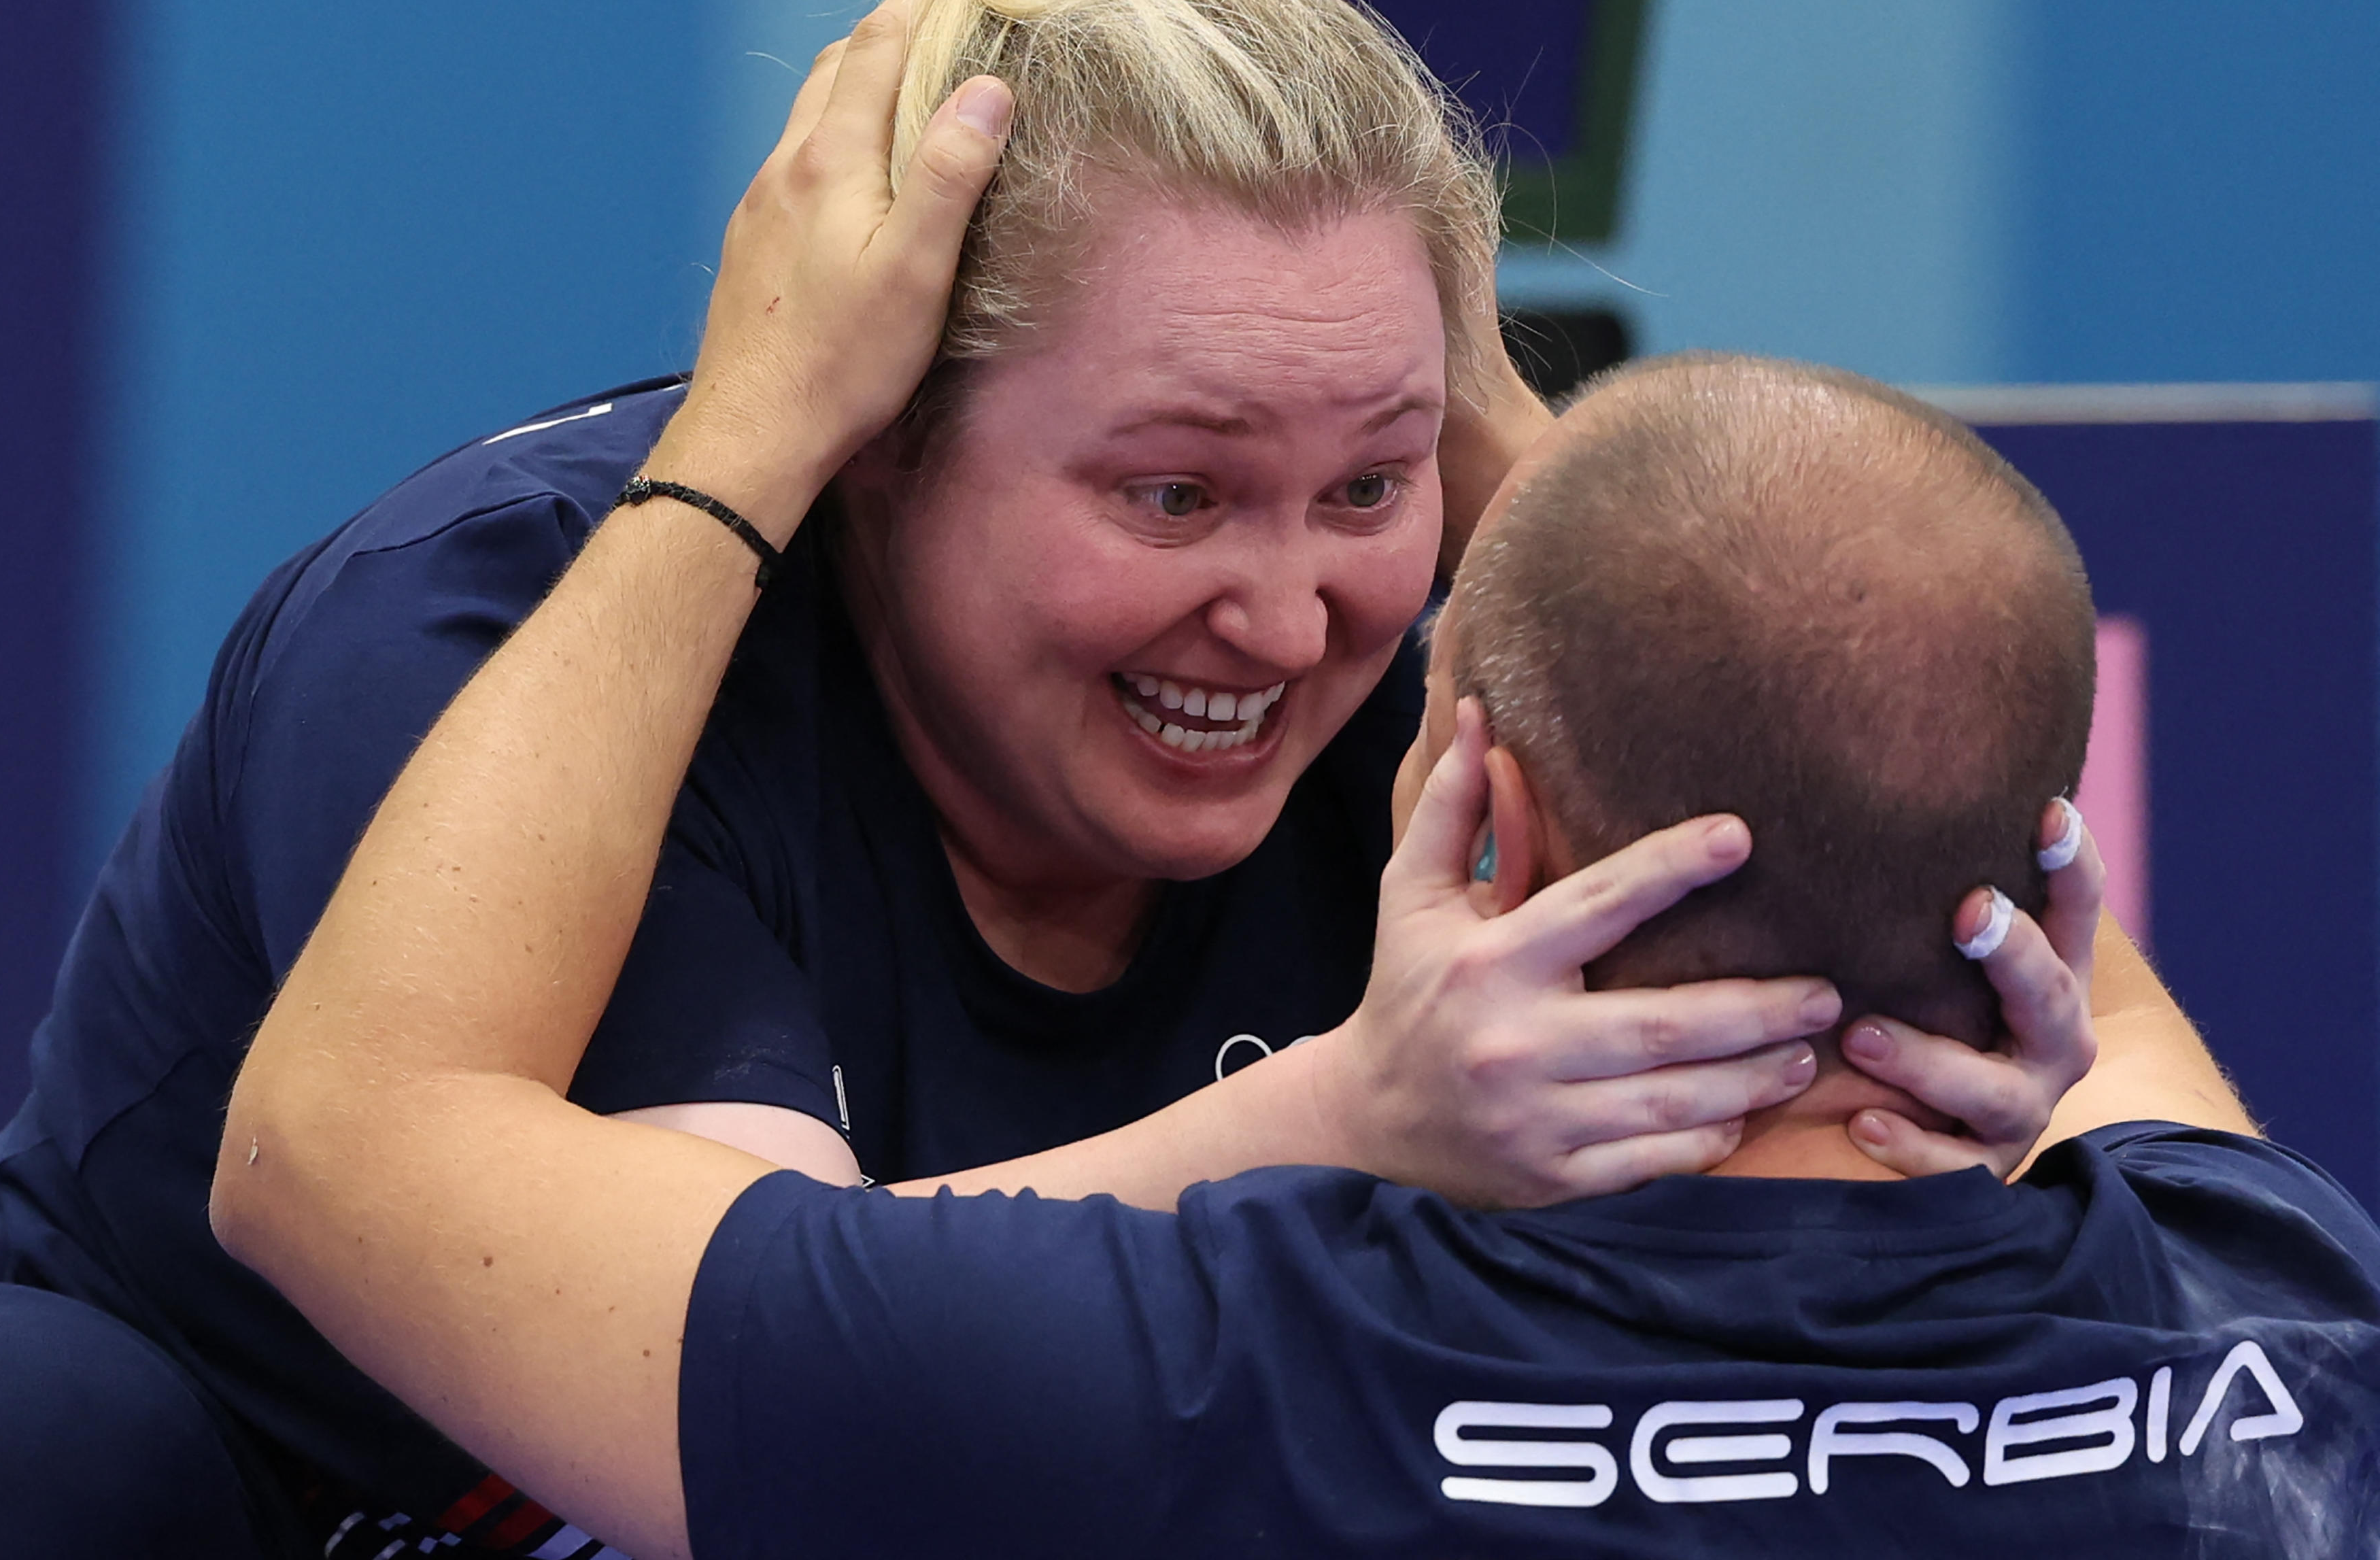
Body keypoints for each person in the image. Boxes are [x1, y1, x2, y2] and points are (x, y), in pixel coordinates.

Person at [0, 0, 2152, 1551]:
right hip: (367, 1471)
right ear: (883, 438)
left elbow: (1893, 906)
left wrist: (1932, 1059)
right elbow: (759, 1372)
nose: (1293, 612)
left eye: (1369, 481)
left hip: (931, 1457)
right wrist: (1362, 1114)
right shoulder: (477, 638)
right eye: (1175, 496)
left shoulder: (1465, 668)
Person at [211, 352, 2364, 1560]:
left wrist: (746, 445)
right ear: (2040, 891)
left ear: (1485, 811)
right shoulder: (2290, 1331)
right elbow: (2020, 882)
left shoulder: (1167, 1380)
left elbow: (338, 1146)